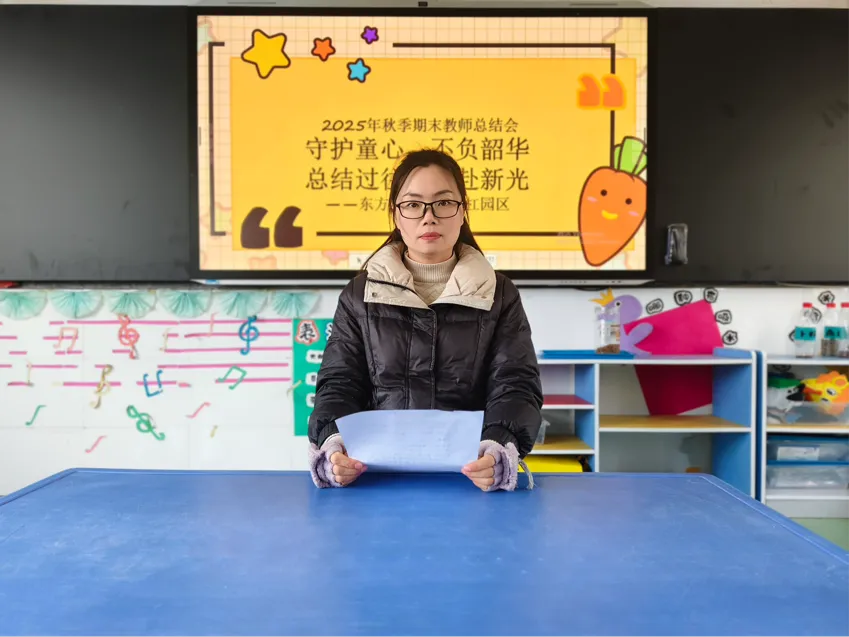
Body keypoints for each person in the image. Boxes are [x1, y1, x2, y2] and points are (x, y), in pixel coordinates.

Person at [307, 149, 543, 491]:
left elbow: (515, 384)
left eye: (443, 203)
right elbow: (339, 383)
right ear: (396, 214)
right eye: (413, 204)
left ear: (462, 211)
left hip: (472, 476)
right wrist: (334, 444)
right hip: (375, 479)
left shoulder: (499, 293)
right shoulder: (361, 294)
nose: (428, 217)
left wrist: (497, 446)